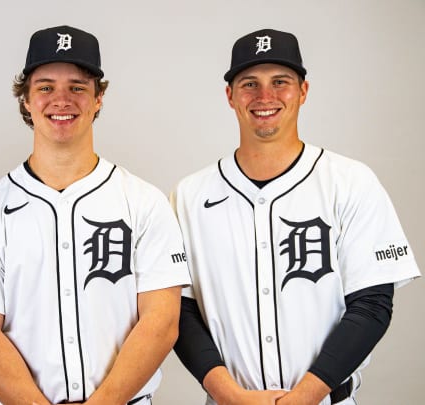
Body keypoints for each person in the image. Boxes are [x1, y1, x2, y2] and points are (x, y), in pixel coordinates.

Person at [0, 25, 190, 405]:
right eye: (45, 87)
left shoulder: (144, 202)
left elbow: (161, 323)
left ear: (98, 97)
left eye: (77, 87)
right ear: (25, 98)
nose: (61, 99)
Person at [170, 28, 421, 405]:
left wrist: (306, 395)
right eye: (249, 83)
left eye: (280, 82)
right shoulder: (189, 195)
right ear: (230, 96)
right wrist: (229, 395)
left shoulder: (349, 181)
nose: (265, 96)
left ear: (303, 91)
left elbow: (372, 303)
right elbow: (180, 311)